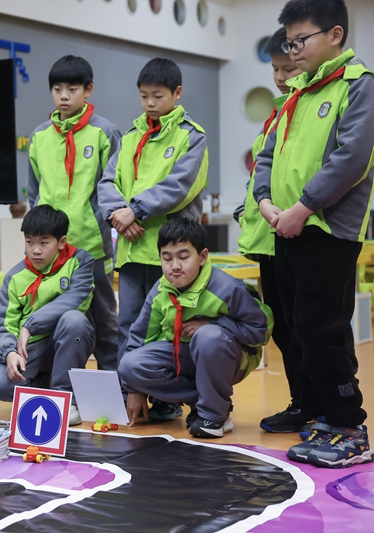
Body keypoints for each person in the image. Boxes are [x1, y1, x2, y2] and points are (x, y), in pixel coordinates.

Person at [253, 0, 374, 468]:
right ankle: (324, 416)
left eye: (300, 41)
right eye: (289, 43)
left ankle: (350, 427)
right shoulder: (298, 92)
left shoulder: (359, 85)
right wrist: (265, 201)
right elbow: (268, 154)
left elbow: (352, 158)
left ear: (335, 35)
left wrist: (303, 207)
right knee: (298, 329)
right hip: (285, 226)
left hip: (326, 227)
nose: (293, 52)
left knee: (324, 330)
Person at [98, 57, 208, 421]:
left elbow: (180, 186)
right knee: (129, 324)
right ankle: (129, 394)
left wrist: (136, 210)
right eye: (144, 96)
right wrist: (119, 214)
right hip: (132, 248)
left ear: (177, 93)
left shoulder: (192, 136)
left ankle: (166, 397)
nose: (149, 103)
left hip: (171, 255)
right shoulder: (129, 136)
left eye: (157, 96)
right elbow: (108, 182)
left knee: (168, 328)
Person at [119, 219, 273, 438]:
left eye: (183, 257)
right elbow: (138, 338)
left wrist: (213, 324)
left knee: (207, 337)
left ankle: (214, 415)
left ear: (202, 257)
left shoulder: (227, 288)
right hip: (184, 356)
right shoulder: (160, 290)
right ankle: (204, 399)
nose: (175, 266)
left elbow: (260, 330)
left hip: (229, 358)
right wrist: (134, 389)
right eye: (167, 258)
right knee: (129, 365)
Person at [26, 55, 121, 371]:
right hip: (51, 251)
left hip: (92, 246)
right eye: (57, 89)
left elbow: (114, 188)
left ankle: (114, 385)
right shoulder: (39, 135)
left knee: (105, 320)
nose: (63, 96)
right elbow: (34, 192)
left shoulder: (105, 132)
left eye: (72, 89)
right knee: (56, 320)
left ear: (88, 90)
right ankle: (58, 386)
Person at [234, 27, 303, 434]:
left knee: (304, 330)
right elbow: (262, 175)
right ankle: (300, 403)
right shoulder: (275, 116)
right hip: (266, 238)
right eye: (275, 69)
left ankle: (315, 406)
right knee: (284, 331)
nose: (279, 77)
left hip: (292, 235)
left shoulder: (303, 112)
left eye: (287, 69)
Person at [0, 205, 95, 426]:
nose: (35, 250)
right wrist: (9, 353)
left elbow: (76, 298)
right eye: (29, 242)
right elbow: (0, 326)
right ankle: (45, 389)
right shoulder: (15, 277)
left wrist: (30, 325)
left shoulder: (80, 262)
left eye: (44, 243)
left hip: (66, 341)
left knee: (73, 320)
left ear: (61, 242)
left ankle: (65, 399)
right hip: (31, 349)